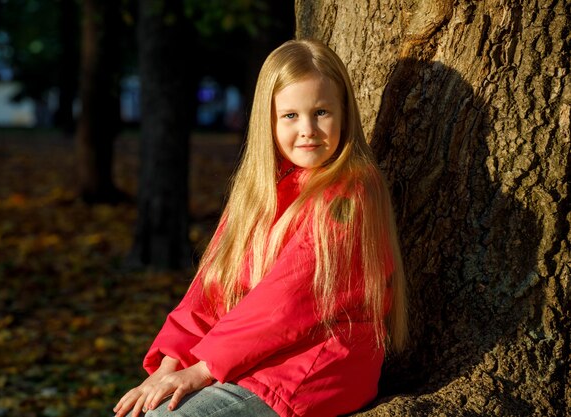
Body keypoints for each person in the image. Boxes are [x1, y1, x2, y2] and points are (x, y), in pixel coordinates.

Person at [113, 38, 407, 417]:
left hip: (310, 370)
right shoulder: (261, 191)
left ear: (345, 113)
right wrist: (170, 366)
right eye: (290, 116)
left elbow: (287, 301)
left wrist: (200, 370)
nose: (308, 130)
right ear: (267, 120)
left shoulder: (350, 191)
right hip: (247, 362)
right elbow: (210, 289)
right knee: (145, 409)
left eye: (321, 112)